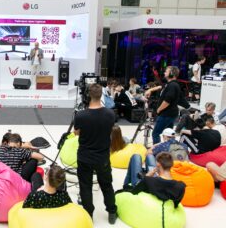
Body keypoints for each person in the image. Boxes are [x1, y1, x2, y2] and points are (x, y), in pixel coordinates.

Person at [74, 83, 117, 223]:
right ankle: (111, 212)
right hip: (102, 157)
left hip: (84, 157)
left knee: (85, 186)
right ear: (102, 95)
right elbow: (110, 130)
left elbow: (76, 133)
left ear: (88, 96)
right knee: (106, 185)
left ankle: (88, 214)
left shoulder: (80, 115)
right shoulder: (110, 114)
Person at [120, 152, 186, 208]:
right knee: (150, 156)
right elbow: (175, 205)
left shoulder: (148, 180)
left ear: (158, 164)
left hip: (143, 184)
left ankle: (126, 184)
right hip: (157, 181)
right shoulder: (181, 186)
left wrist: (147, 176)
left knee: (136, 157)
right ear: (171, 165)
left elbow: (134, 192)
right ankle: (149, 157)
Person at [146, 66, 181, 144]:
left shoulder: (172, 85)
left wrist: (159, 110)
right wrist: (150, 89)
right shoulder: (170, 84)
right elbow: (161, 87)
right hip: (170, 113)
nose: (164, 73)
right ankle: (169, 149)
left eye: (166, 71)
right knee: (169, 134)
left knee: (155, 134)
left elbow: (167, 101)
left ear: (171, 73)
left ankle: (157, 152)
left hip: (166, 114)